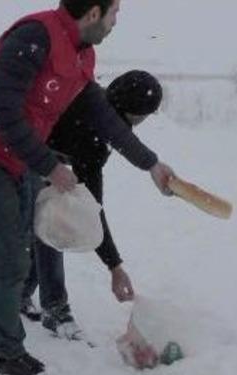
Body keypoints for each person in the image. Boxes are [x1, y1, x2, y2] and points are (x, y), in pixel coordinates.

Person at [0, 0, 176, 375]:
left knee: (19, 255)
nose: (116, 22)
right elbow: (4, 115)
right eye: (114, 13)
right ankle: (5, 351)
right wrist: (51, 167)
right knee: (11, 263)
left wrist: (150, 164)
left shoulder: (81, 55)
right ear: (93, 14)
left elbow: (106, 118)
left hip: (17, 162)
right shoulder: (34, 38)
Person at [21, 70, 164, 340]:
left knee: (43, 224)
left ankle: (20, 291)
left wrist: (114, 265)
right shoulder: (91, 135)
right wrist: (114, 266)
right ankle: (55, 310)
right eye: (144, 116)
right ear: (133, 114)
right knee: (54, 223)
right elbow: (93, 211)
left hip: (35, 149)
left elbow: (91, 207)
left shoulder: (97, 105)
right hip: (21, 150)